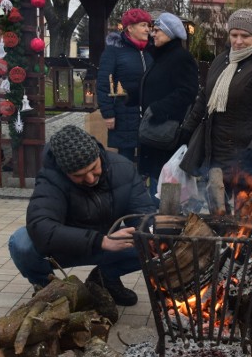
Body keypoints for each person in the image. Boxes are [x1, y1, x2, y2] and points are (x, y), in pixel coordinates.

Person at [8, 125, 156, 306]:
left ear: (98, 156)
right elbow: (41, 226)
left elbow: (143, 214)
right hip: (67, 247)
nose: (90, 179)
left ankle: (104, 279)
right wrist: (99, 240)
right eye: (79, 175)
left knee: (151, 241)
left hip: (108, 245)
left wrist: (148, 231)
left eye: (94, 168)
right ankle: (48, 289)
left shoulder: (122, 168)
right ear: (65, 172)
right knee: (21, 242)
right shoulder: (50, 179)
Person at [180, 8, 252, 200]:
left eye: (245, 36)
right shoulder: (221, 60)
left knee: (246, 218)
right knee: (219, 215)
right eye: (234, 35)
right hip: (216, 152)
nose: (238, 41)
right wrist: (187, 129)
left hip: (247, 155)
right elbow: (204, 97)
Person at [138, 12, 199, 202]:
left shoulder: (181, 58)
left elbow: (187, 92)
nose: (152, 34)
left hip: (166, 133)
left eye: (157, 30)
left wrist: (158, 109)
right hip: (154, 132)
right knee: (154, 184)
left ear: (169, 33)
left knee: (164, 186)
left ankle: (165, 223)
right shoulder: (160, 56)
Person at [96, 8, 154, 162]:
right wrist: (108, 113)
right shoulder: (114, 51)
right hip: (124, 113)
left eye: (148, 25)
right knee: (125, 158)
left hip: (148, 113)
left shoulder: (151, 50)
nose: (147, 29)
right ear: (130, 28)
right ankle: (127, 185)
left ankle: (145, 185)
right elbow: (103, 82)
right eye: (143, 25)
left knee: (148, 156)